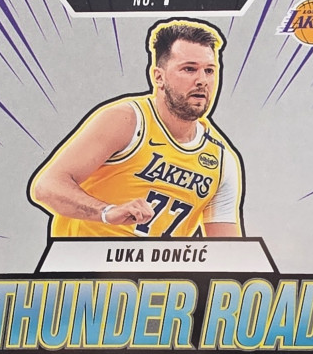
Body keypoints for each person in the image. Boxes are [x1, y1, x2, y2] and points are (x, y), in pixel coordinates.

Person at [29, 19, 244, 239]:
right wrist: (106, 212)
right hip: (86, 258)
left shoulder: (221, 159)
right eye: (189, 69)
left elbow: (228, 249)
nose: (202, 80)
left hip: (156, 263)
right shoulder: (127, 120)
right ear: (158, 77)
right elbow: (47, 187)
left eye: (209, 70)